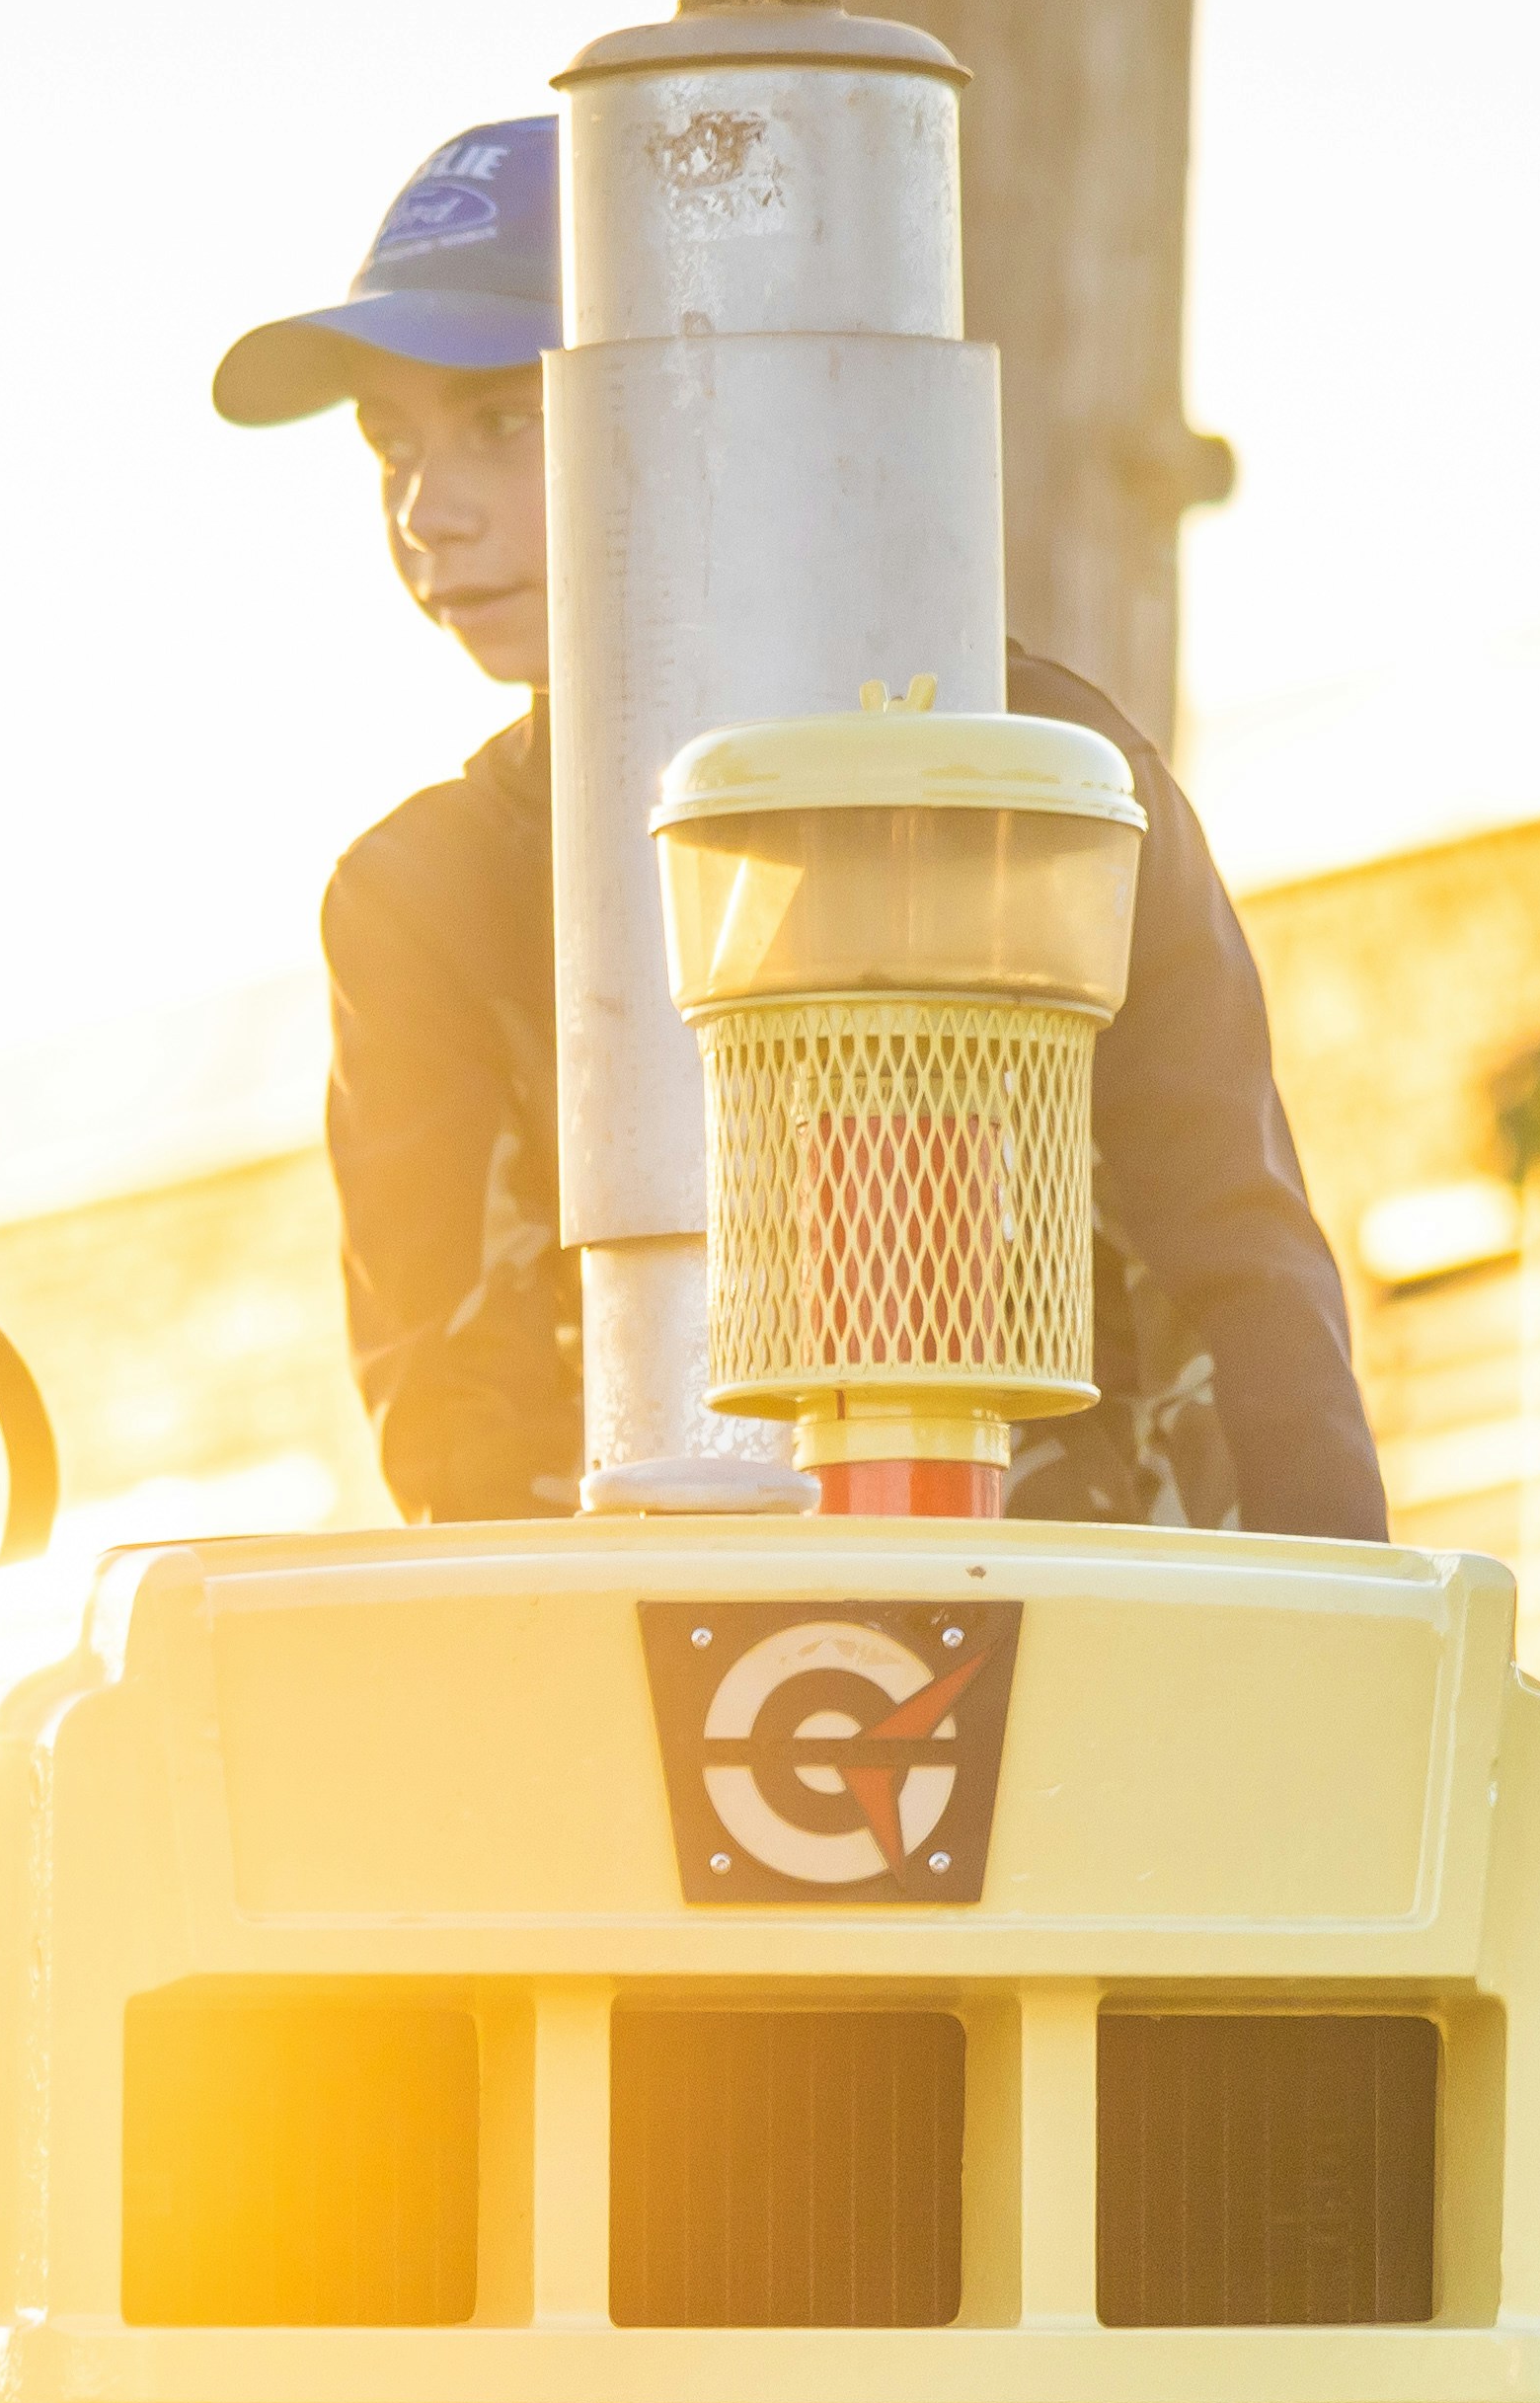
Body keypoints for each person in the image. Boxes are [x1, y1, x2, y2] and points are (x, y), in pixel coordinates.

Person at [215, 116, 1384, 1533]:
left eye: (502, 427)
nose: (425, 512)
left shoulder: (1035, 779)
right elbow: (447, 1396)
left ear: (694, 404)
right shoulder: (419, 893)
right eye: (388, 449)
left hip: (1089, 1629)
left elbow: (1236, 1254)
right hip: (651, 1654)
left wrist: (1336, 1647)